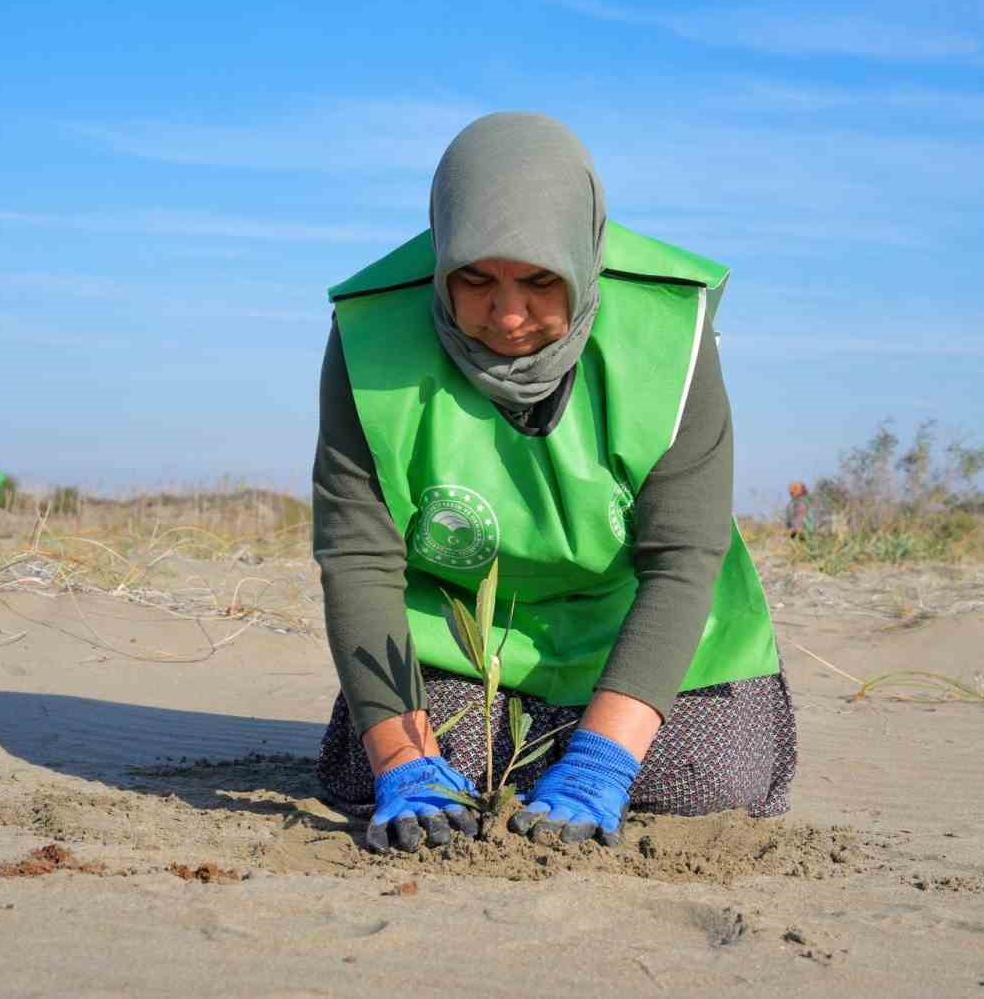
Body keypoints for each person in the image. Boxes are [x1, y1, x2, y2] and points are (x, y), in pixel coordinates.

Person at [313, 113, 796, 854]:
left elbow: (682, 558)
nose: (508, 315)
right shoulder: (369, 333)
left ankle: (588, 740)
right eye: (474, 280)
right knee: (416, 773)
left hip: (635, 621)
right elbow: (358, 558)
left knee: (708, 780)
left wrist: (603, 761)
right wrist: (402, 759)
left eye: (541, 281)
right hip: (462, 639)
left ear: (583, 255)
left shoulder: (669, 328)